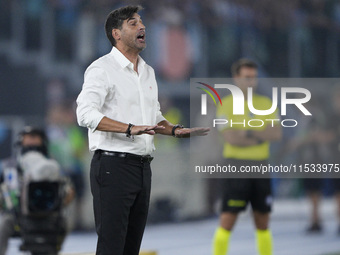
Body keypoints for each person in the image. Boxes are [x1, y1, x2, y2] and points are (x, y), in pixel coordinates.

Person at [76, 5, 209, 255]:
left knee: (131, 248)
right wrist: (129, 128)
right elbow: (85, 114)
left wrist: (175, 130)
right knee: (111, 247)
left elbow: (154, 117)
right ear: (116, 33)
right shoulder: (101, 69)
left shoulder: (147, 71)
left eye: (142, 22)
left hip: (142, 168)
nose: (142, 27)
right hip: (112, 167)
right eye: (133, 23)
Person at [212, 59, 282, 255]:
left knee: (263, 221)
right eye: (247, 77)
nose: (251, 81)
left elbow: (276, 134)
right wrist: (260, 134)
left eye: (254, 78)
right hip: (236, 166)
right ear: (236, 79)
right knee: (228, 219)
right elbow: (231, 138)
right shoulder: (226, 104)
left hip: (260, 166)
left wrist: (247, 133)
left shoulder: (266, 103)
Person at [0, 126, 74, 255]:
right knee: (2, 224)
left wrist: (61, 200)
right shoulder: (8, 167)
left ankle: (53, 250)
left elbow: (68, 190)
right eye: (28, 137)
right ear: (20, 141)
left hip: (47, 213)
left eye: (35, 137)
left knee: (64, 222)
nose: (31, 141)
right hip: (16, 214)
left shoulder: (53, 166)